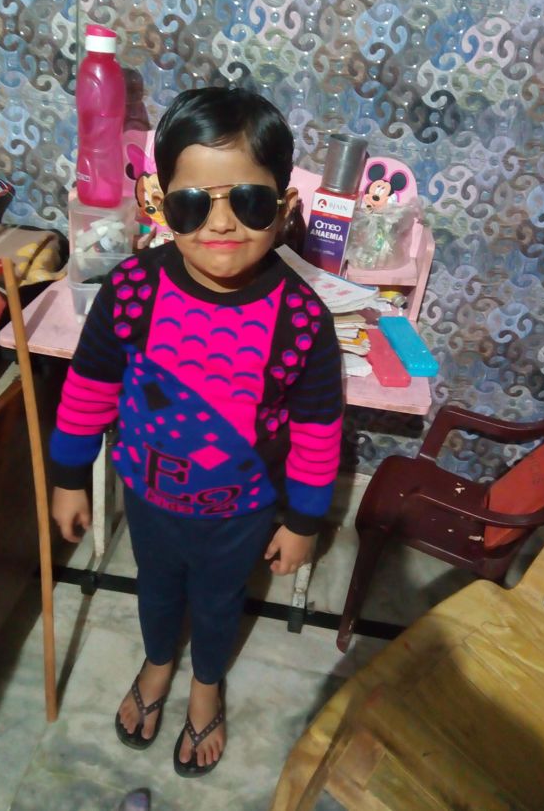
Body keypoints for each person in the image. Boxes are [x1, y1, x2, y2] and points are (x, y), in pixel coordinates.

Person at [50, 86, 343, 778]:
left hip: (240, 512)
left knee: (217, 604)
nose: (222, 224)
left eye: (249, 201)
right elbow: (88, 389)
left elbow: (318, 428)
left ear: (284, 208)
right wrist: (68, 477)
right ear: (159, 203)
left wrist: (304, 520)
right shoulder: (131, 289)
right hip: (149, 498)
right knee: (155, 588)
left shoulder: (303, 318)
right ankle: (158, 664)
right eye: (193, 203)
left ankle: (207, 684)